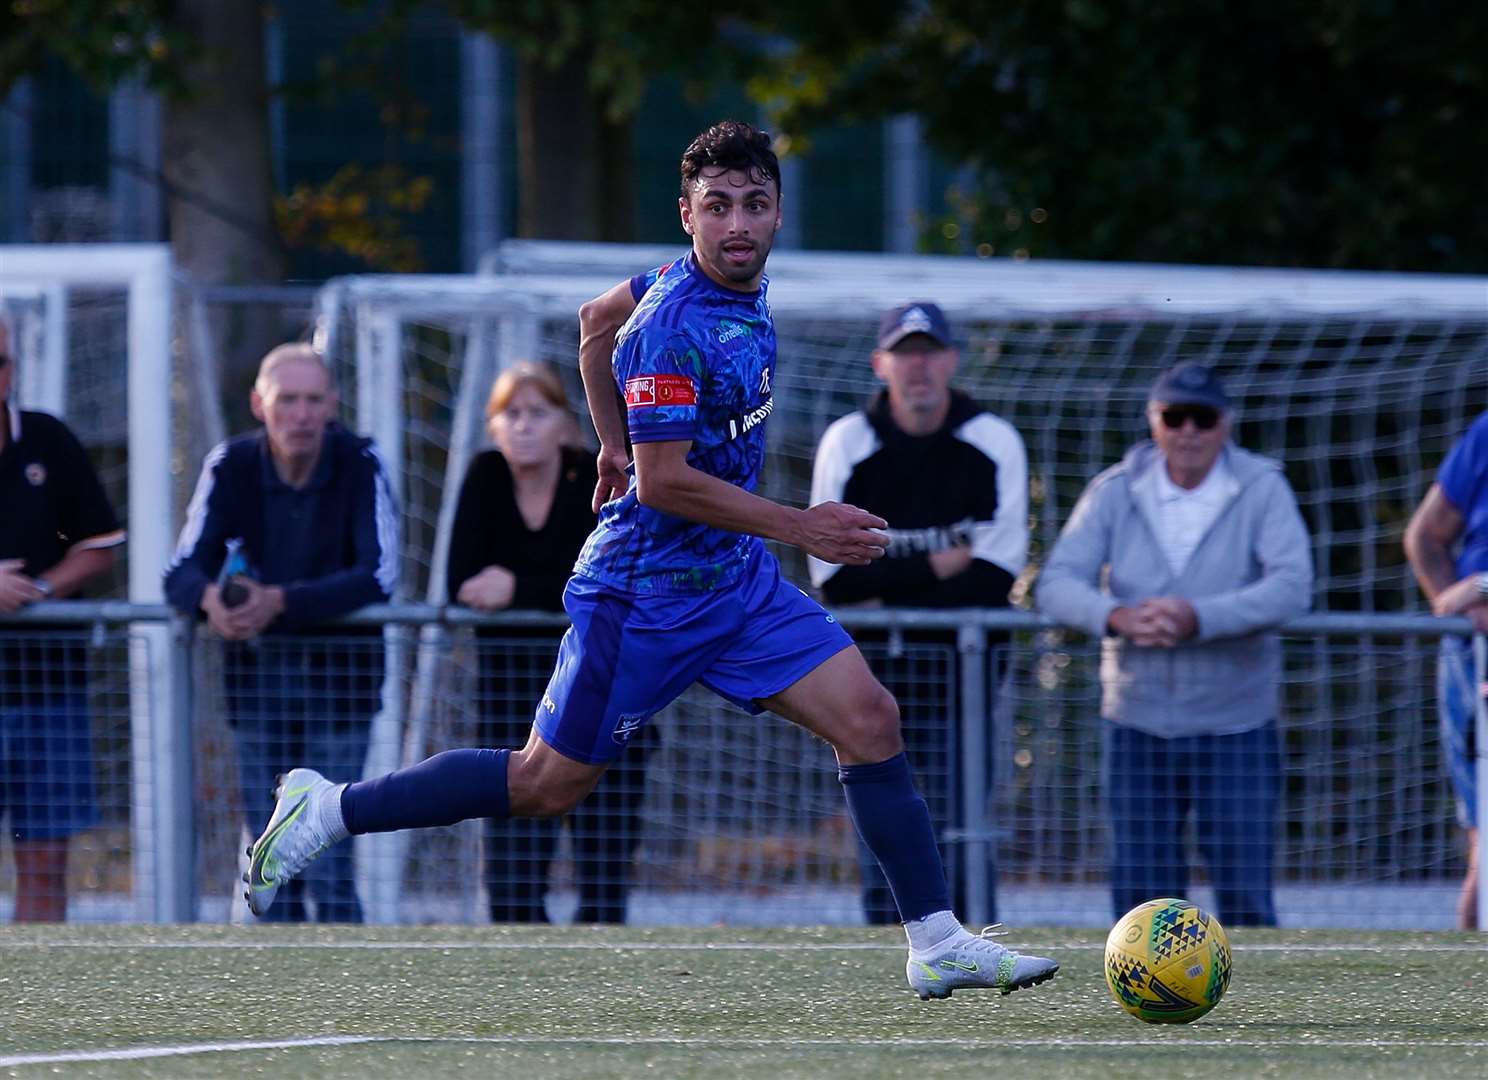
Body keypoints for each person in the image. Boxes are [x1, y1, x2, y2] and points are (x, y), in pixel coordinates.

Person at [242, 120, 1057, 998]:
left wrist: (608, 447)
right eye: (717, 208)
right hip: (644, 598)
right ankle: (326, 807)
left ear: (779, 212)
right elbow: (667, 487)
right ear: (687, 216)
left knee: (870, 720)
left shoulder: (692, 285)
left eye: (753, 204)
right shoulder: (675, 324)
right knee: (544, 784)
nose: (736, 224)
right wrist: (799, 524)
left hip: (735, 585)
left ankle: (934, 940)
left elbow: (593, 321)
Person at [1038, 362, 1313, 927]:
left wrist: (1199, 617)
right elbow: (1057, 582)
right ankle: (1144, 1013)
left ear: (1226, 424)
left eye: (1203, 417)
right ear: (1154, 422)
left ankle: (1264, 1012)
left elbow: (1292, 586)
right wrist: (1115, 616)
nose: (1189, 431)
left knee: (1245, 900)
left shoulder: (1263, 486)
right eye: (1174, 416)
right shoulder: (1114, 490)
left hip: (1236, 724)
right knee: (1141, 908)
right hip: (1135, 722)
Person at [808, 301, 1028, 924]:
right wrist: (938, 568)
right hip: (871, 672)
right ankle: (890, 947)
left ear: (953, 360)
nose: (919, 367)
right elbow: (834, 578)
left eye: (930, 352)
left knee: (966, 825)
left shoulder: (993, 441)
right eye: (905, 353)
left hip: (966, 671)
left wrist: (889, 584)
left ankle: (980, 938)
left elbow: (995, 576)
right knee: (883, 819)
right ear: (882, 364)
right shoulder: (849, 443)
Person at [164, 343, 398, 923]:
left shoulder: (361, 461)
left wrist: (280, 603)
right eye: (287, 399)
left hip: (341, 692)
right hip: (255, 689)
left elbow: (380, 574)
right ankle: (276, 1007)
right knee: (268, 866)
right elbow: (180, 572)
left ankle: (351, 1001)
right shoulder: (230, 464)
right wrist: (212, 600)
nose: (300, 413)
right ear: (258, 404)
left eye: (313, 399)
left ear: (332, 405)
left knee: (330, 863)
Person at [447, 361, 653, 924]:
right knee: (513, 875)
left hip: (602, 684)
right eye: (511, 414)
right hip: (511, 697)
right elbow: (459, 580)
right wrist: (545, 589)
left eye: (538, 412)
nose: (524, 426)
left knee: (603, 866)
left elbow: (607, 578)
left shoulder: (597, 479)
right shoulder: (485, 476)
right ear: (492, 425)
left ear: (567, 422)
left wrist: (516, 586)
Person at [0, 318, 125, 922]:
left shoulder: (47, 439)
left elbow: (101, 543)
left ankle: (33, 996)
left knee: (46, 860)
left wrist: (41, 590)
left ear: (12, 368)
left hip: (48, 687)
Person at [1404, 408, 1487, 930]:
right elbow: (1424, 537)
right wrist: (1457, 615)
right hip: (1471, 656)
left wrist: (1483, 586)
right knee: (1483, 842)